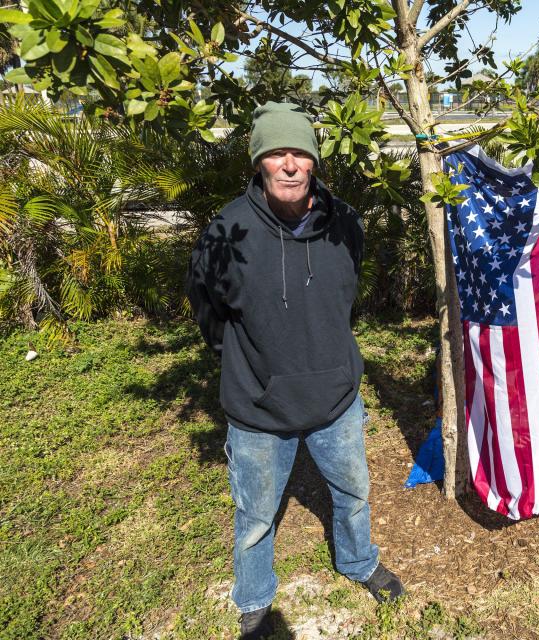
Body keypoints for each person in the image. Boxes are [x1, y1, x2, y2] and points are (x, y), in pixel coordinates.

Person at [186, 102, 403, 639]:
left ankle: (358, 562)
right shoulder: (226, 231)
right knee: (256, 516)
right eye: (276, 153)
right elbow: (206, 309)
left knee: (353, 493)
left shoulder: (345, 223)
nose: (289, 165)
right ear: (259, 162)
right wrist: (247, 364)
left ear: (314, 161)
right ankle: (255, 597)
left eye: (299, 153)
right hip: (258, 406)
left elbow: (345, 296)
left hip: (335, 399)